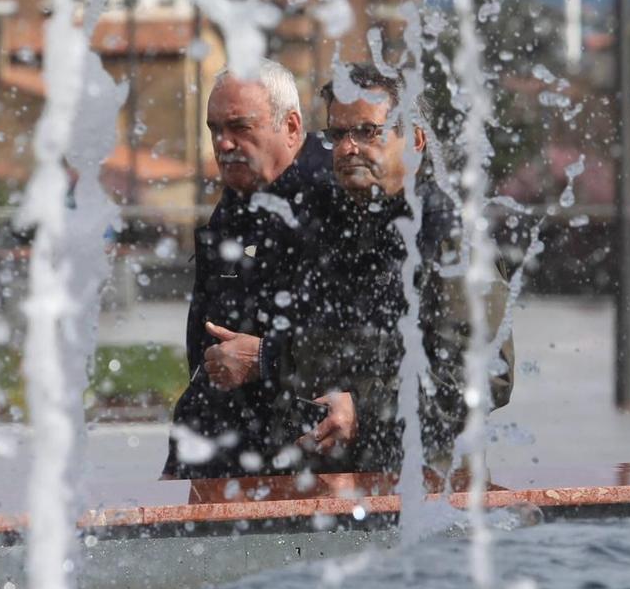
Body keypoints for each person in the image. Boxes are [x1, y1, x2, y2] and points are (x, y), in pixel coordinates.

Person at [280, 63, 514, 474]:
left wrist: (362, 416)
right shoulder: (334, 230)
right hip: (337, 488)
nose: (349, 148)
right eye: (338, 134)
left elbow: (482, 380)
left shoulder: (450, 237)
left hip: (430, 494)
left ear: (416, 140)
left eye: (369, 132)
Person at [161, 61, 335, 479]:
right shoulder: (241, 197)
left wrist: (266, 358)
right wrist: (181, 462)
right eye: (214, 129)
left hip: (315, 465)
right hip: (232, 459)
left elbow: (365, 346)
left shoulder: (334, 201)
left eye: (240, 127)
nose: (222, 144)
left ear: (291, 127)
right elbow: (213, 354)